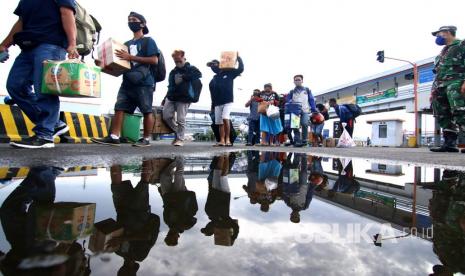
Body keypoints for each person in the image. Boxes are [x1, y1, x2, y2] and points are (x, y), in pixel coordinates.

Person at [2, 0, 78, 149]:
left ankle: (45, 134)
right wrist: (4, 44)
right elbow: (21, 22)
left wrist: (72, 43)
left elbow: (67, 13)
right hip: (27, 46)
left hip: (51, 45)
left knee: (44, 88)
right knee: (15, 86)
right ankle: (54, 124)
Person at [92, 12, 159, 147]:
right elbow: (119, 66)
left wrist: (131, 57)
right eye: (129, 20)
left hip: (144, 82)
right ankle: (114, 136)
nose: (130, 22)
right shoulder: (125, 44)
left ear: (142, 24)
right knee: (119, 107)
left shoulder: (148, 41)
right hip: (127, 81)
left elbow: (154, 60)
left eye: (134, 20)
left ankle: (146, 139)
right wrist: (103, 65)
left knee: (146, 109)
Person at [429, 26, 465, 153]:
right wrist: (433, 90)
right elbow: (438, 73)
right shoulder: (441, 53)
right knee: (443, 115)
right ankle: (449, 143)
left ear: (447, 33)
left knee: (460, 111)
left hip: (457, 83)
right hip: (440, 87)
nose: (438, 37)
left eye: (439, 34)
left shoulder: (461, 45)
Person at [163, 50, 202, 147]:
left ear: (183, 57)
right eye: (175, 61)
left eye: (179, 60)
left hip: (184, 98)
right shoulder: (173, 71)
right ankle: (178, 131)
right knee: (166, 116)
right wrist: (165, 98)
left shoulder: (191, 68)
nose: (177, 63)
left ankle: (180, 139)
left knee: (181, 119)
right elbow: (170, 85)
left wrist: (184, 77)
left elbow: (199, 74)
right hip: (171, 96)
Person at [159, 157, 198, 246]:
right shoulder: (186, 226)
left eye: (167, 236)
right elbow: (193, 215)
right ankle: (180, 158)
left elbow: (166, 207)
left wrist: (163, 196)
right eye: (171, 237)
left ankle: (175, 162)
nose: (169, 234)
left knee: (164, 176)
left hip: (168, 196)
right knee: (178, 176)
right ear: (177, 237)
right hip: (181, 197)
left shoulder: (167, 221)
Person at [208, 55, 244, 147]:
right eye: (211, 66)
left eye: (214, 64)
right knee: (219, 122)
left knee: (225, 117)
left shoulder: (230, 73)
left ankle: (228, 139)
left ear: (220, 64)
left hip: (228, 100)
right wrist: (212, 106)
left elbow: (240, 69)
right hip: (217, 103)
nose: (213, 66)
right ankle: (222, 140)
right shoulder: (214, 79)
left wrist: (238, 58)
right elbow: (213, 94)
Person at [286, 75, 317, 147]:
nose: (297, 81)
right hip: (295, 111)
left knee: (304, 123)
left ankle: (304, 140)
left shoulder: (307, 90)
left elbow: (311, 99)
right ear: (293, 82)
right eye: (296, 80)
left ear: (302, 81)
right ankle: (297, 141)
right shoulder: (291, 91)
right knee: (295, 126)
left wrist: (313, 108)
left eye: (299, 80)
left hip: (305, 110)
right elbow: (288, 99)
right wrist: (289, 101)